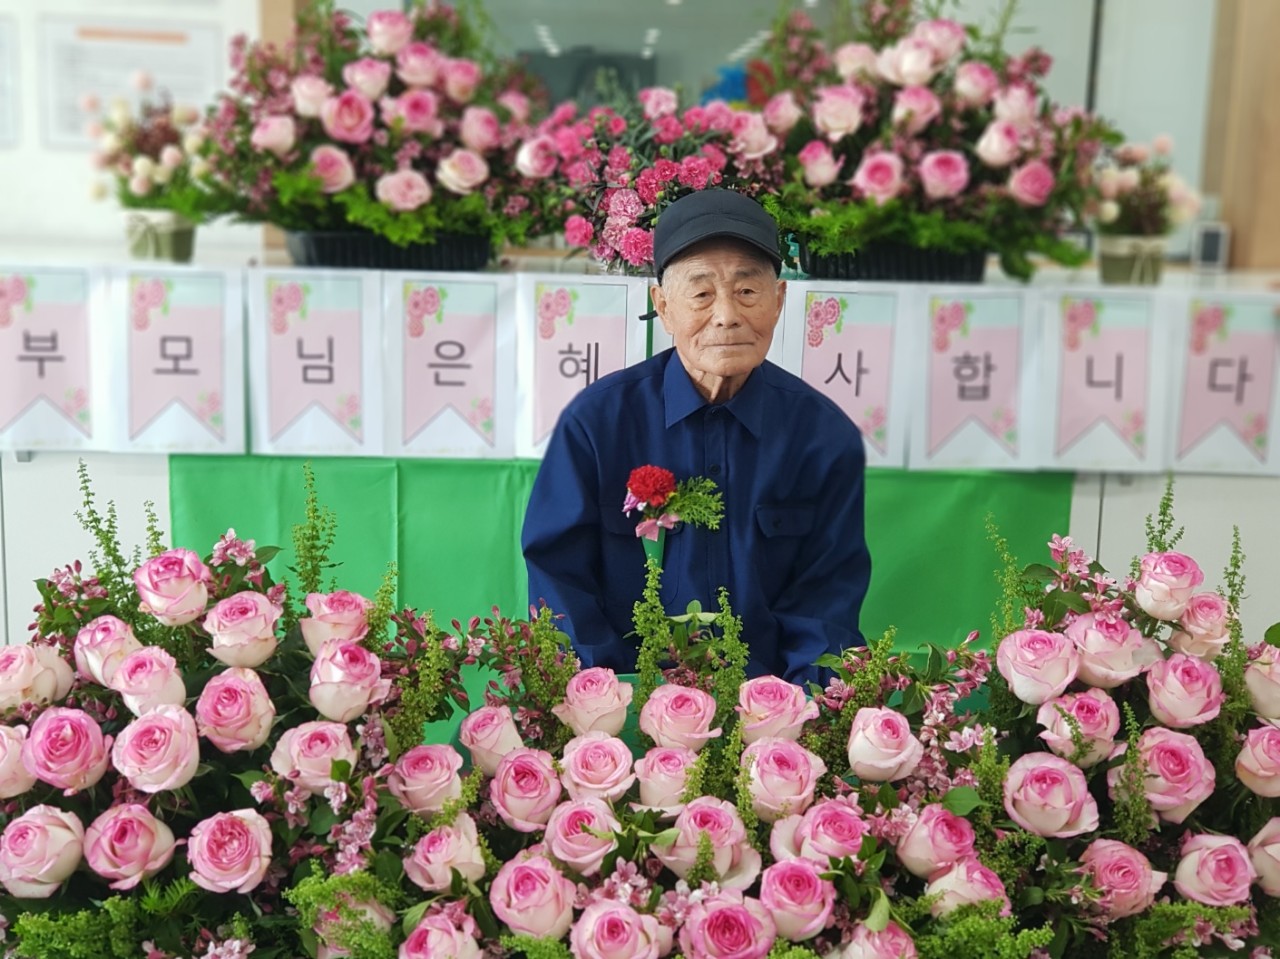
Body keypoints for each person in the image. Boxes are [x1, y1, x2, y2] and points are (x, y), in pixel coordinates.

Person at [520, 189, 869, 686]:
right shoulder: (596, 423)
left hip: (771, 707)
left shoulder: (823, 436)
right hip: (625, 704)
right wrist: (605, 702)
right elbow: (560, 586)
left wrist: (796, 710)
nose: (726, 314)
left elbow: (826, 602)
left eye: (747, 291)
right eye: (701, 294)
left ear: (779, 301)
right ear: (663, 306)